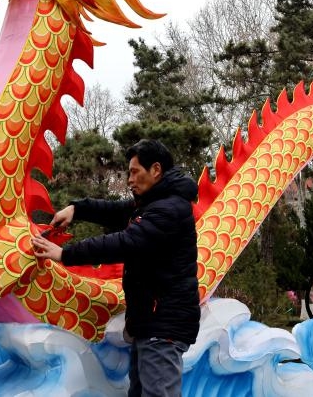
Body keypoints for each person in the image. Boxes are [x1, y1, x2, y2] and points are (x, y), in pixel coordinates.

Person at [32, 139, 200, 397]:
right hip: (148, 322)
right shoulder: (150, 204)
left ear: (155, 170)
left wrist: (65, 254)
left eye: (135, 172)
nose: (130, 180)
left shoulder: (170, 209)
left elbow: (126, 242)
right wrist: (77, 208)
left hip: (163, 324)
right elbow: (114, 211)